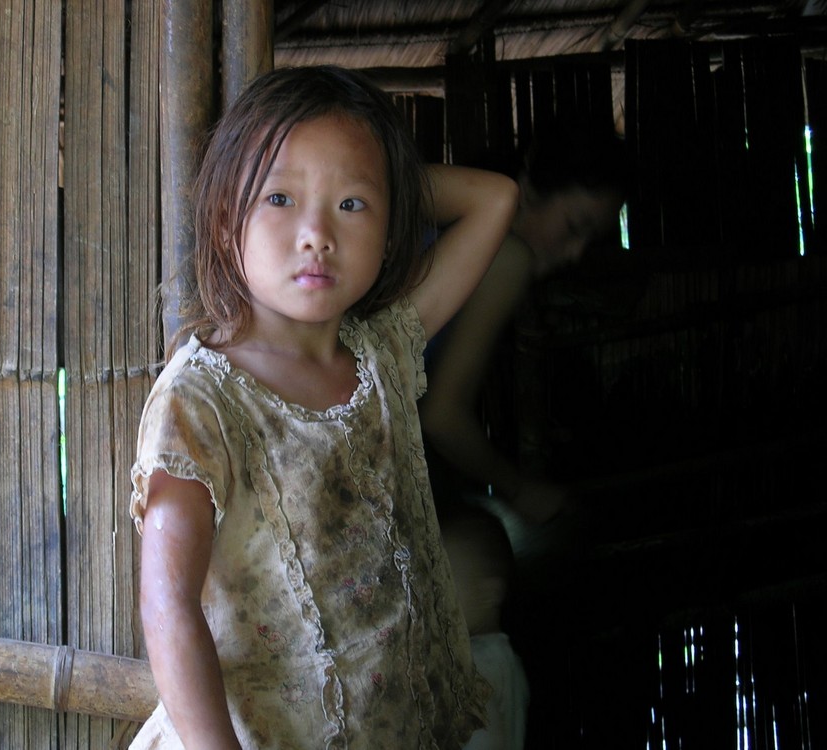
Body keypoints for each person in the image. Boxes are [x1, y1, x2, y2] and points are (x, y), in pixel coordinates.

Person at [128, 65, 518, 749]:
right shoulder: (203, 399)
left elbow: (496, 198)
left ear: (392, 226)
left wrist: (372, 169)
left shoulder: (382, 358)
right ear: (224, 221)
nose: (316, 232)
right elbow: (168, 606)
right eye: (279, 197)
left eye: (351, 206)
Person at [420, 120, 628, 750]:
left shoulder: (448, 230)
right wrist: (519, 490)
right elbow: (442, 416)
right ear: (531, 185)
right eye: (574, 228)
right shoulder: (502, 252)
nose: (571, 255)